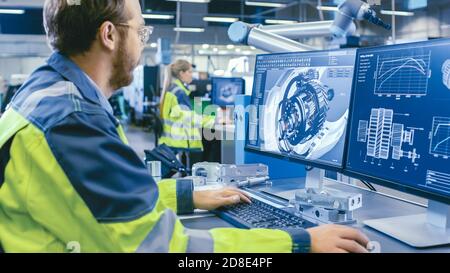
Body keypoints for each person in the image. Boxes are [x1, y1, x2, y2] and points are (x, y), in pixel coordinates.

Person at [0, 0, 370, 253]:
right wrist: (298, 242)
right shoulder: (74, 122)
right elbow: (172, 249)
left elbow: (92, 198)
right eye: (141, 33)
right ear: (109, 35)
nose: (142, 46)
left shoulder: (50, 92)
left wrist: (185, 194)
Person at [159, 59, 214, 168]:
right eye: (190, 72)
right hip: (182, 140)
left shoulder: (172, 89)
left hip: (171, 140)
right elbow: (189, 118)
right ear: (181, 73)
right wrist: (212, 120)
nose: (192, 75)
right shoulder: (179, 93)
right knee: (212, 146)